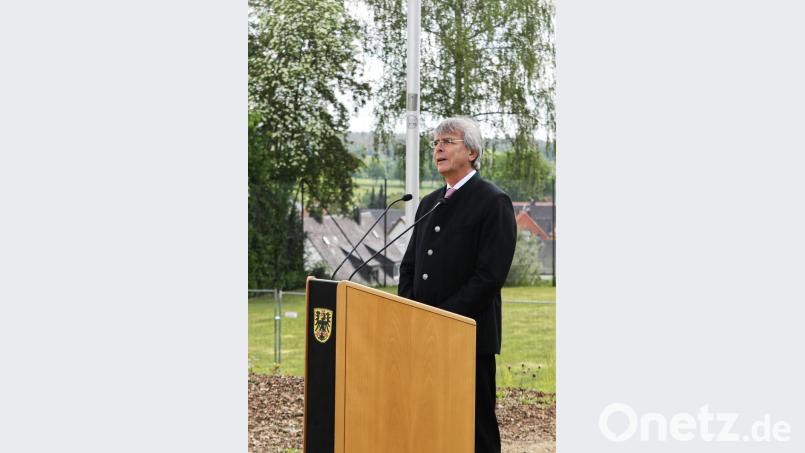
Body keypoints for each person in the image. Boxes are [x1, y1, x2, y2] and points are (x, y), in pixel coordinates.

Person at [399, 117, 517, 453]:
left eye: (447, 141)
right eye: (435, 142)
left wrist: (444, 319)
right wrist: (409, 312)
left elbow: (490, 276)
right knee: (430, 421)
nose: (437, 147)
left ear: (472, 151)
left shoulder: (493, 202)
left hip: (469, 338)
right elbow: (410, 266)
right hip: (422, 335)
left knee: (474, 427)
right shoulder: (430, 202)